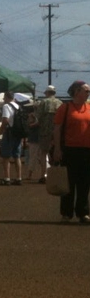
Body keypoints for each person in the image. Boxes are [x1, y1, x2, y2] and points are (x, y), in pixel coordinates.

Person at [52, 80, 90, 224]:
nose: (88, 93)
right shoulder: (65, 108)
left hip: (87, 151)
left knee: (85, 183)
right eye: (86, 91)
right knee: (68, 183)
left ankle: (83, 213)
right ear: (76, 92)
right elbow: (57, 129)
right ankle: (66, 213)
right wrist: (57, 148)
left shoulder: (89, 107)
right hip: (69, 150)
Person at [35, 85, 62, 184]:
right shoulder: (60, 103)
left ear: (47, 93)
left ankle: (44, 175)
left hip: (44, 131)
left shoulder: (43, 102)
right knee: (57, 153)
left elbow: (37, 117)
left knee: (43, 153)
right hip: (57, 132)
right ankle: (57, 175)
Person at [0, 91, 22, 185]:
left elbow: (5, 120)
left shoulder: (6, 106)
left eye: (4, 97)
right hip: (18, 133)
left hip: (9, 132)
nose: (3, 99)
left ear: (7, 97)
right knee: (17, 156)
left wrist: (1, 129)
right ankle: (19, 177)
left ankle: (7, 178)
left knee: (6, 156)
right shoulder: (18, 106)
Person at [25, 110, 40, 180]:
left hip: (35, 140)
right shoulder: (39, 117)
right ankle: (44, 174)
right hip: (36, 139)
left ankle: (30, 174)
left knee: (33, 157)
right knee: (43, 157)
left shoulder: (33, 117)